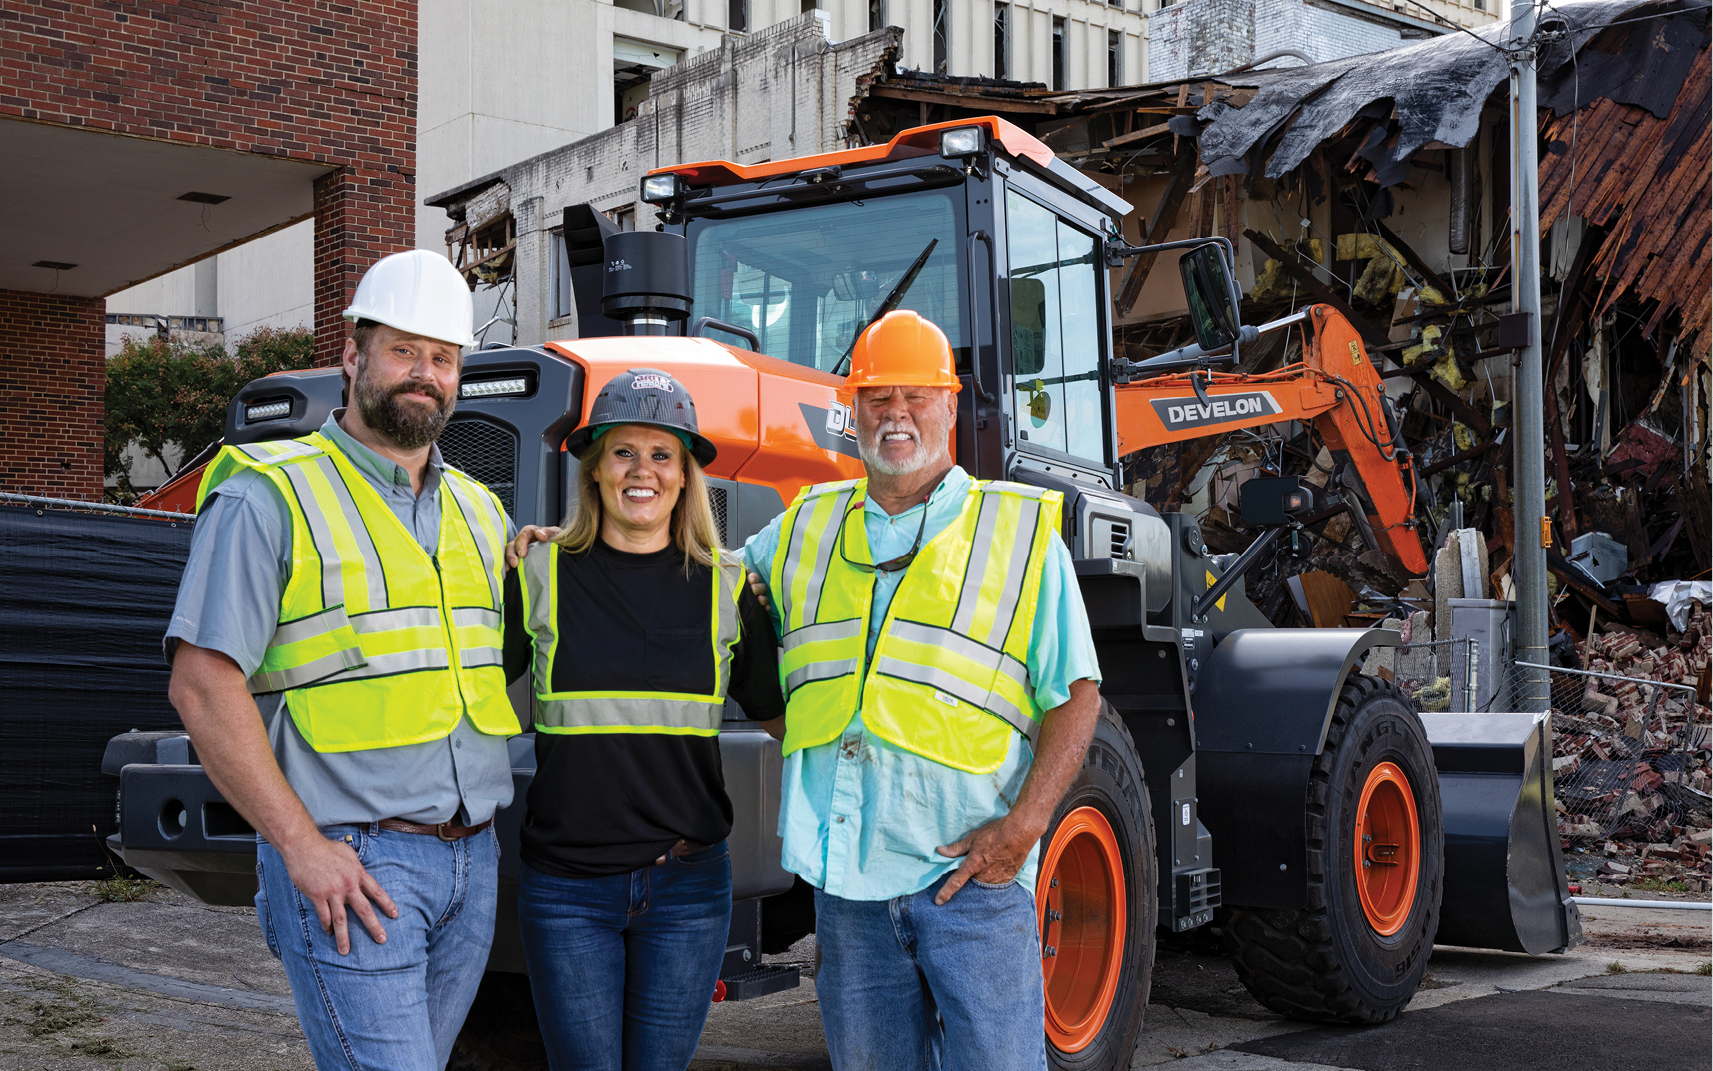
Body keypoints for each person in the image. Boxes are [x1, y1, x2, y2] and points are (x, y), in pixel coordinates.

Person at [165, 249, 519, 1070]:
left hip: (473, 860)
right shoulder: (269, 493)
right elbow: (202, 683)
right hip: (353, 860)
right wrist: (299, 846)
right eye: (403, 350)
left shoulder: (480, 510)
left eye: (442, 357)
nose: (423, 373)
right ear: (354, 355)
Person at [742, 310, 1102, 1070]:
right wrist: (567, 541)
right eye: (877, 399)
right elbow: (694, 578)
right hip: (850, 892)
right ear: (852, 409)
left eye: (914, 397)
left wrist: (1022, 830)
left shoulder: (1016, 531)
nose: (895, 415)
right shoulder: (803, 527)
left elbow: (1075, 695)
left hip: (969, 881)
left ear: (949, 403)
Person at [503, 368, 785, 1071]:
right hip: (567, 888)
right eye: (623, 452)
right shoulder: (537, 572)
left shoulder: (730, 587)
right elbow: (461, 692)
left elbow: (787, 722)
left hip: (687, 889)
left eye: (662, 455)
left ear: (686, 476)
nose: (642, 471)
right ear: (594, 469)